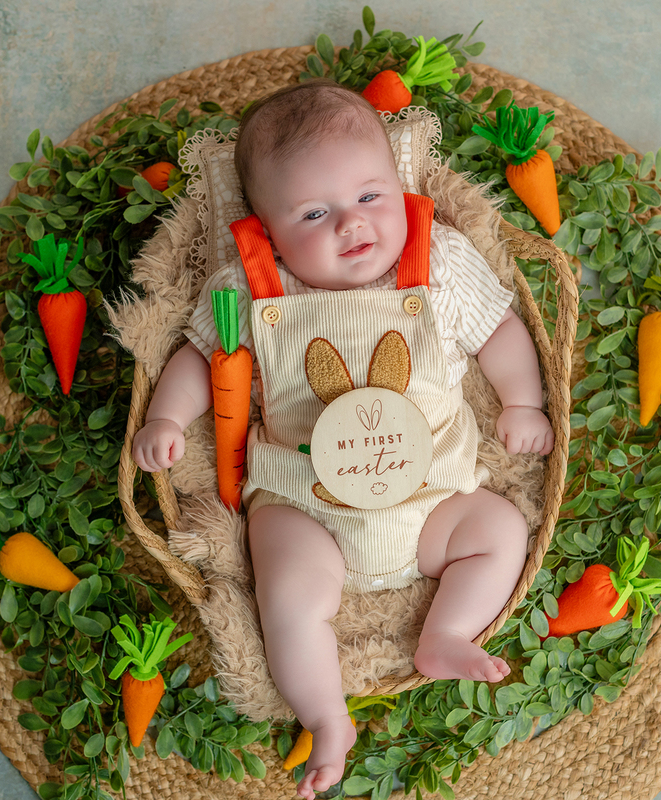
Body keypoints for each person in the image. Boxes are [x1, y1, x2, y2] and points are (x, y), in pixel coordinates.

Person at [132, 80, 553, 799]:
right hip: (307, 506)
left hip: (435, 498)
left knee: (501, 530)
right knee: (287, 598)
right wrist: (168, 419)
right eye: (314, 213)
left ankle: (445, 633)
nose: (351, 224)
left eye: (369, 196)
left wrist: (522, 401)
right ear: (267, 230)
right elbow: (201, 358)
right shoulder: (251, 287)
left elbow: (499, 331)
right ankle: (327, 717)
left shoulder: (439, 262)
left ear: (398, 186)